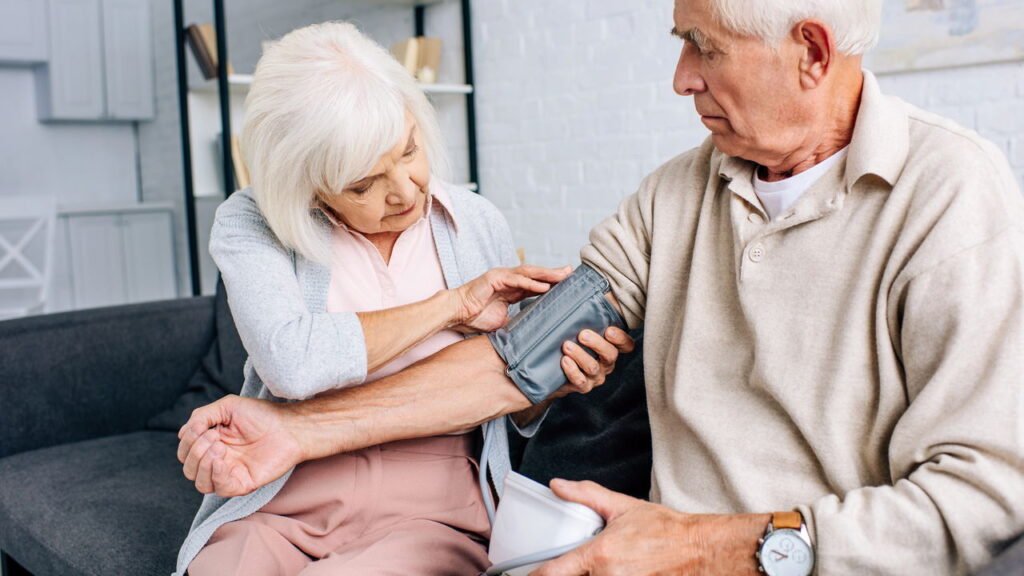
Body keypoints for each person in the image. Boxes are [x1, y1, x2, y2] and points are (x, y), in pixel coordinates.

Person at [178, 0, 1024, 574]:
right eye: (679, 42)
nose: (681, 78)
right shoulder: (675, 194)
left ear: (809, 51)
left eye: (704, 46)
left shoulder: (952, 194)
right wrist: (296, 435)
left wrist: (705, 548)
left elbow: (983, 495)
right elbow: (515, 362)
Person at [173, 22, 634, 576]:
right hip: (286, 489)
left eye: (409, 150)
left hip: (435, 504)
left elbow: (506, 403)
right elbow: (292, 363)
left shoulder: (473, 221)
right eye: (363, 185)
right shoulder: (253, 221)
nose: (406, 189)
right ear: (306, 184)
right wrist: (454, 304)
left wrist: (550, 383)